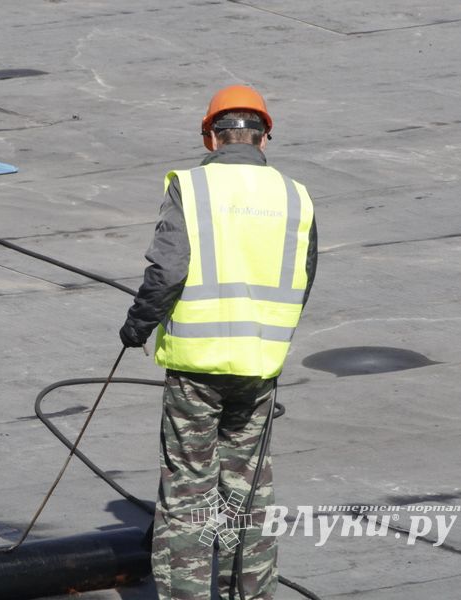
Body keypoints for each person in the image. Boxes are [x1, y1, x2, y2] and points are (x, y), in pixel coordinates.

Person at [119, 85, 317, 600]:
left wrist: (138, 325)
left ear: (210, 136)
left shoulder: (192, 186)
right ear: (265, 137)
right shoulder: (295, 196)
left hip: (197, 370)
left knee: (189, 490)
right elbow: (305, 276)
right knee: (247, 490)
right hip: (258, 368)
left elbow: (167, 271)